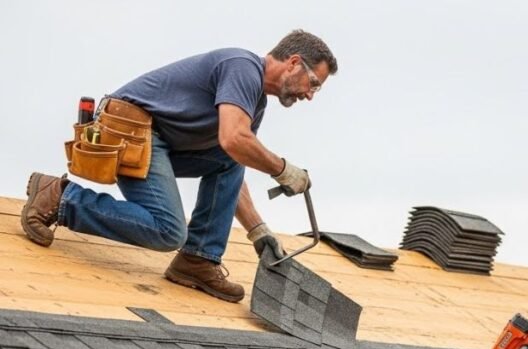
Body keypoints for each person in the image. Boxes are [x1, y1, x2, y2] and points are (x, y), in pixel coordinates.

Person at [21, 29, 337, 303]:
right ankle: (60, 199)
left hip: (156, 142)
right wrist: (282, 169)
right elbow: (234, 139)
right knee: (168, 231)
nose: (310, 95)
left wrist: (258, 230)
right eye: (313, 83)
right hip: (130, 131)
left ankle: (198, 259)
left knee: (234, 157)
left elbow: (233, 156)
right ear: (293, 62)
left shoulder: (255, 101)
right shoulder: (243, 68)